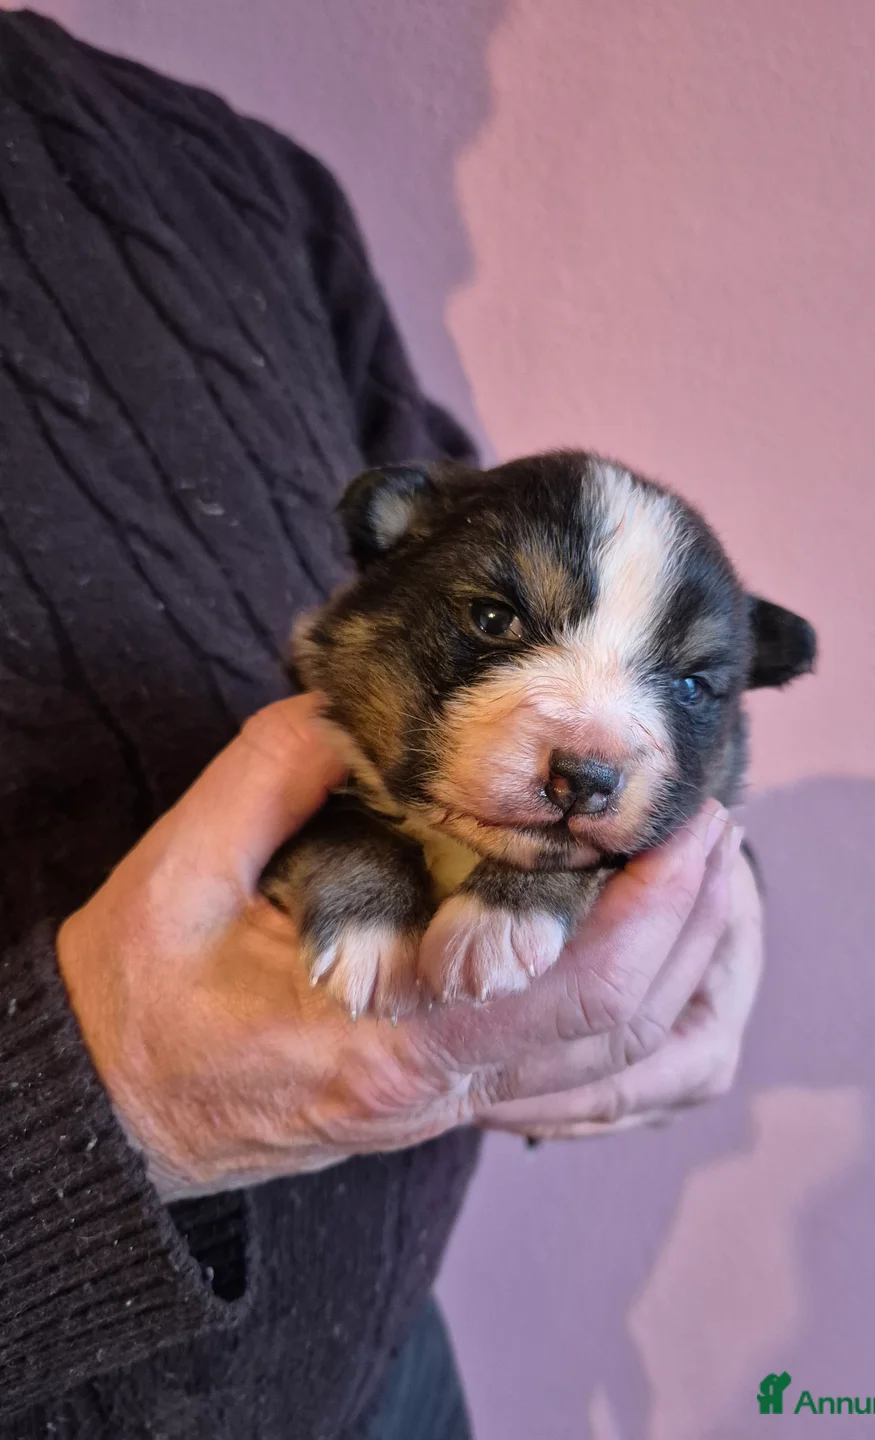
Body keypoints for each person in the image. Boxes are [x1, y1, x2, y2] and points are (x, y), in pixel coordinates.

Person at [0, 12, 764, 1438]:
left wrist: (697, 925)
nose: (469, 95)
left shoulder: (238, 183)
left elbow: (497, 554)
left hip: (388, 1378)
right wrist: (111, 1110)